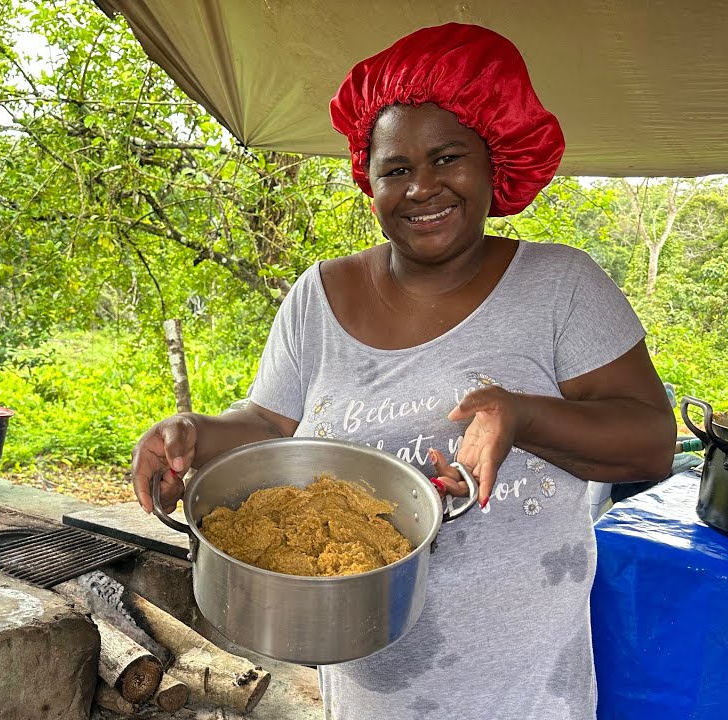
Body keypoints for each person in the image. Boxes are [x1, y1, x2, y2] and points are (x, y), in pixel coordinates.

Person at [130, 23, 675, 720]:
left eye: (447, 158)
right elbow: (268, 424)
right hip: (370, 681)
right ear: (370, 178)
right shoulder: (319, 297)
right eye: (395, 169)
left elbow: (652, 439)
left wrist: (525, 416)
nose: (422, 188)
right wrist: (192, 436)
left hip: (522, 685)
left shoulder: (561, 287)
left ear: (491, 162)